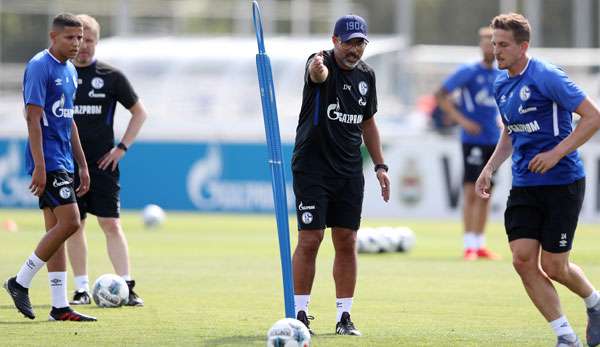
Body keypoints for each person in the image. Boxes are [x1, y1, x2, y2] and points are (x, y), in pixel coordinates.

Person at [476, 13, 600, 347]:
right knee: (522, 260)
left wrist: (556, 153)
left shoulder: (547, 76)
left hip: (563, 182)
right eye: (494, 43)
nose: (496, 51)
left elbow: (593, 117)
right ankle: (565, 336)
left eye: (503, 45)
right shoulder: (501, 83)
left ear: (523, 47)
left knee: (556, 266)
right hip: (525, 185)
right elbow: (510, 133)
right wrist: (490, 167)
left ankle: (595, 303)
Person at [291, 14, 390, 336]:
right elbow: (316, 74)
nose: (355, 49)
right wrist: (318, 69)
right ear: (335, 41)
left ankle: (344, 317)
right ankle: (299, 313)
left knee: (347, 240)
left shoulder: (367, 75)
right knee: (310, 239)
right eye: (350, 43)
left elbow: (368, 123)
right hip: (312, 167)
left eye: (360, 43)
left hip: (349, 170)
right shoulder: (320, 63)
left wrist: (380, 166)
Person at [3, 13, 96, 322]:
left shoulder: (70, 71)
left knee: (56, 230)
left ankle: (59, 306)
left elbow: (68, 120)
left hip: (64, 159)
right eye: (70, 37)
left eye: (80, 37)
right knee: (70, 223)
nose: (77, 43)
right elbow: (32, 119)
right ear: (53, 37)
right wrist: (39, 166)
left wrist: (82, 164)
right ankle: (20, 281)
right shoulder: (40, 66)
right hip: (49, 160)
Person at [66, 14, 147, 306]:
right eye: (78, 39)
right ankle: (81, 288)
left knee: (111, 223)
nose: (84, 46)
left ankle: (126, 286)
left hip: (103, 165)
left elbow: (140, 113)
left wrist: (121, 148)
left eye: (89, 40)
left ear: (96, 41)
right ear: (71, 40)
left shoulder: (111, 77)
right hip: (69, 164)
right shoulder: (60, 74)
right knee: (75, 225)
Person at [435, 27, 502, 261]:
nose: (488, 46)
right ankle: (469, 245)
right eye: (484, 42)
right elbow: (440, 95)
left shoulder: (501, 73)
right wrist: (462, 121)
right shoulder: (469, 71)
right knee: (471, 191)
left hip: (495, 140)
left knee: (487, 192)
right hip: (472, 140)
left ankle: (480, 243)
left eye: (492, 42)